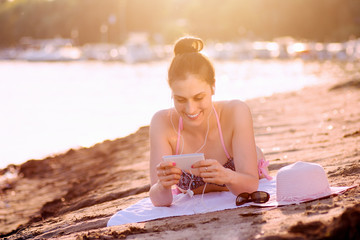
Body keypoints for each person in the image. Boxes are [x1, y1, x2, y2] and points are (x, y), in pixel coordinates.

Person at [149, 36, 271, 207]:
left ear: (213, 86)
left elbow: (250, 186)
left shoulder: (235, 111)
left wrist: (227, 175)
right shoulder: (162, 123)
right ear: (171, 92)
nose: (191, 109)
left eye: (199, 97)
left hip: (246, 174)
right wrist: (162, 185)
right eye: (180, 99)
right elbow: (160, 200)